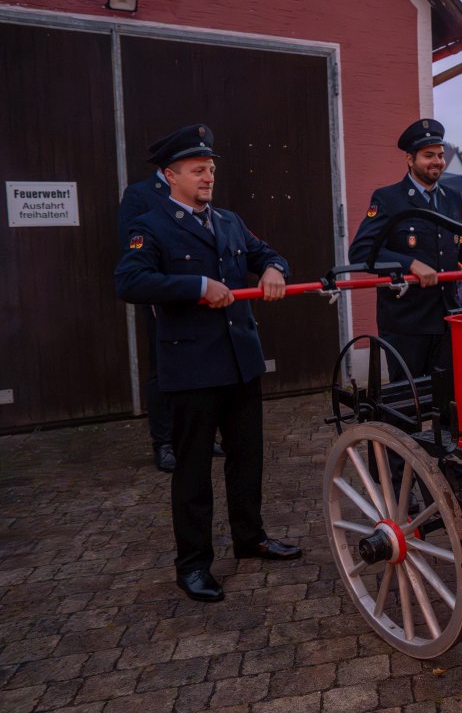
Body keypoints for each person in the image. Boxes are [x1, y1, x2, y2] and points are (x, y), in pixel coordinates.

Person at [115, 124, 301, 603]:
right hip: (192, 367)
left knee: (248, 459)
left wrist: (275, 268)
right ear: (169, 175)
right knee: (193, 471)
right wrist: (197, 287)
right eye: (197, 170)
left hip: (241, 362)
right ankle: (193, 565)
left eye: (211, 169)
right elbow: (130, 282)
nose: (208, 177)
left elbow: (267, 253)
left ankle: (251, 538)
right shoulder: (150, 225)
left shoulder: (230, 221)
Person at [348, 119, 462, 382]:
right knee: (408, 402)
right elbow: (361, 252)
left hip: (447, 316)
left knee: (446, 399)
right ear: (410, 159)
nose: (437, 161)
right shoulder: (388, 199)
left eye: (441, 155)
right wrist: (409, 264)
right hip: (407, 323)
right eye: (428, 155)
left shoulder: (451, 197)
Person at [117, 154, 177, 472]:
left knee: (197, 367)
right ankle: (164, 443)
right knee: (162, 370)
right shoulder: (139, 194)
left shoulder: (194, 190)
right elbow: (133, 246)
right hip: (161, 295)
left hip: (194, 293)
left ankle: (196, 435)